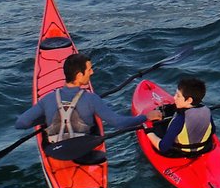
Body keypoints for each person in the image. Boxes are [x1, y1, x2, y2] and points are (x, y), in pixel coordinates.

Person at [14, 53, 148, 160]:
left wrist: (46, 118)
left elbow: (21, 123)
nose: (92, 72)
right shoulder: (91, 99)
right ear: (79, 76)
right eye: (89, 69)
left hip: (55, 152)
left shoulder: (47, 99)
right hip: (84, 150)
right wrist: (146, 116)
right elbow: (120, 123)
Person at [146, 77, 215, 159]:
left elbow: (163, 147)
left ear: (189, 100)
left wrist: (148, 131)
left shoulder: (179, 119)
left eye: (178, 96)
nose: (174, 97)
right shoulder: (206, 111)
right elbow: (213, 130)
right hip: (203, 149)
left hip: (178, 153)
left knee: (157, 128)